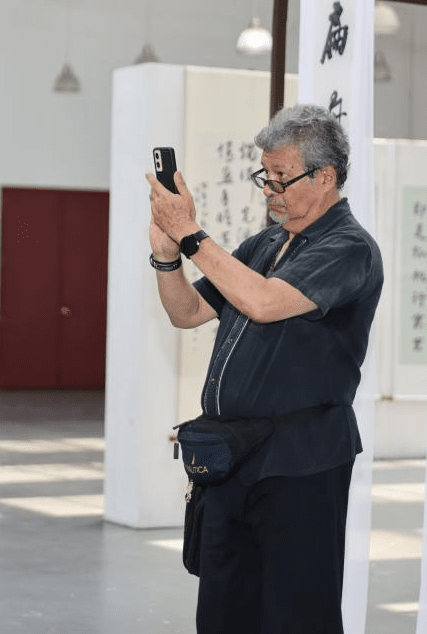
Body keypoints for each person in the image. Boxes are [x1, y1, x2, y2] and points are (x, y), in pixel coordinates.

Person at [144, 103, 383, 634]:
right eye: (265, 176)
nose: (269, 189)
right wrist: (167, 256)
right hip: (232, 458)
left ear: (325, 177)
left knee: (296, 613)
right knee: (224, 609)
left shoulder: (349, 248)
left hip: (300, 463)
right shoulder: (266, 243)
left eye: (280, 177)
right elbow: (188, 312)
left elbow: (265, 302)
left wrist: (192, 234)